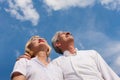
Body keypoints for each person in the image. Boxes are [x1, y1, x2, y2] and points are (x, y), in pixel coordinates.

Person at [51, 31, 120, 80]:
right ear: (58, 44)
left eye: (68, 33)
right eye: (63, 33)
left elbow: (108, 73)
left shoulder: (91, 53)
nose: (68, 33)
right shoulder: (56, 63)